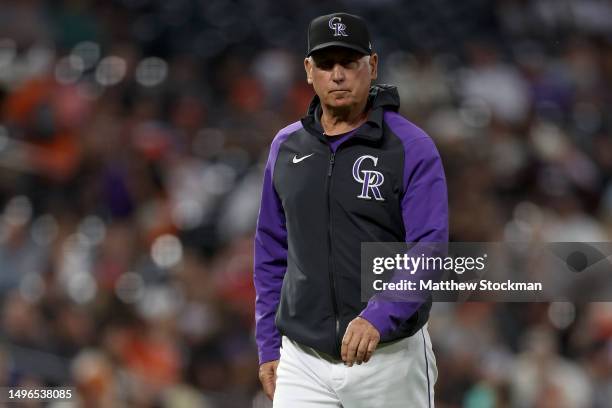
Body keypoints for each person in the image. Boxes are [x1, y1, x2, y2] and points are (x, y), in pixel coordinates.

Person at [254, 12, 448, 407]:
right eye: (326, 64)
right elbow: (271, 252)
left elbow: (429, 248)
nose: (338, 74)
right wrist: (269, 344)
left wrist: (379, 314)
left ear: (372, 66)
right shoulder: (286, 147)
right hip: (302, 360)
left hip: (388, 359)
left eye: (349, 62)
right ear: (309, 71)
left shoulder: (410, 146)